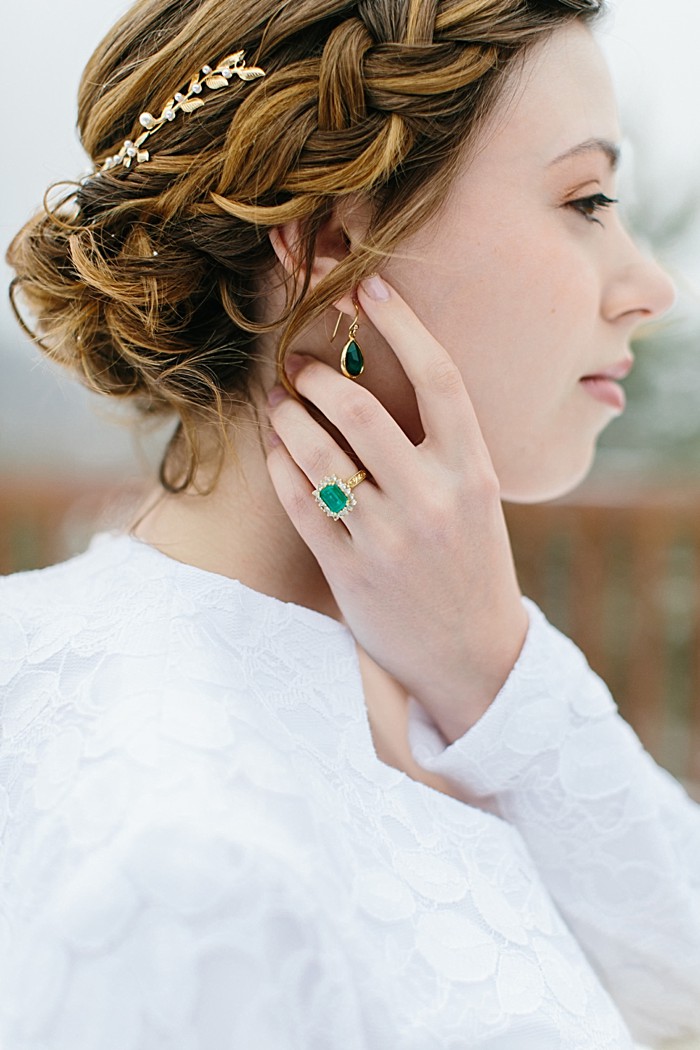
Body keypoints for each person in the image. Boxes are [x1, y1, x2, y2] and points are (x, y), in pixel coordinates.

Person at [2, 0, 699, 1047]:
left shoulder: (438, 666)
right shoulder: (179, 846)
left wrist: (493, 669)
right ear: (332, 243)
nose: (651, 286)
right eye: (586, 198)